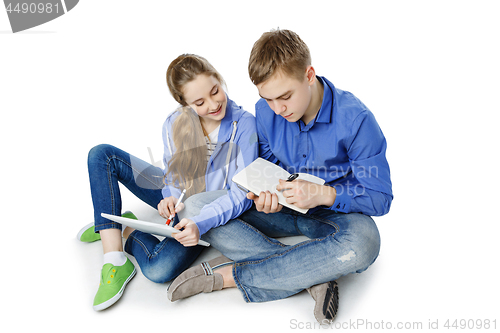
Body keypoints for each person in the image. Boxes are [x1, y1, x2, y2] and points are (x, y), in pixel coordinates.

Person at [167, 29, 393, 324]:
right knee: (197, 206)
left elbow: (380, 197)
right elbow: (268, 165)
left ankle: (228, 276)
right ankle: (314, 273)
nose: (278, 109)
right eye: (268, 98)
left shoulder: (357, 120)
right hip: (284, 210)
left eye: (285, 96)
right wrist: (264, 195)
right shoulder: (266, 111)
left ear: (309, 75)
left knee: (365, 242)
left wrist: (326, 195)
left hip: (334, 215)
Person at [77, 54, 258, 311]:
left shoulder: (245, 125)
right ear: (183, 103)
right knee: (101, 155)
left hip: (204, 215)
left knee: (158, 269)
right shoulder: (174, 123)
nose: (214, 103)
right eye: (199, 102)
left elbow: (241, 193)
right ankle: (114, 258)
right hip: (181, 201)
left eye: (215, 91)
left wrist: (198, 221)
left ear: (219, 79)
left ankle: (118, 226)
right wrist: (170, 196)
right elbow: (171, 172)